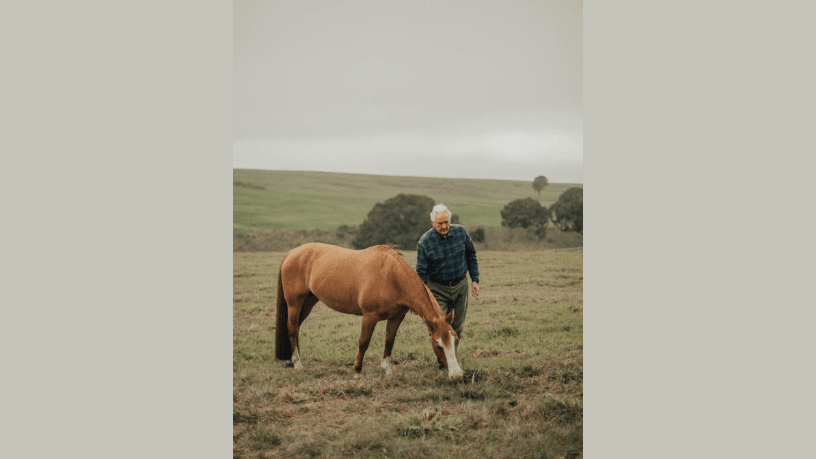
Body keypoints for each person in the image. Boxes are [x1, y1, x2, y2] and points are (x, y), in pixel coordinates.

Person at [416, 204, 480, 369]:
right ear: (432, 223)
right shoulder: (425, 243)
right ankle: (443, 363)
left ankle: (453, 360)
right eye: (440, 223)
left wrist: (475, 280)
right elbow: (421, 273)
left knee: (456, 329)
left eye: (446, 222)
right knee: (438, 328)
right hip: (437, 290)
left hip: (460, 286)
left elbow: (471, 254)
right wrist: (423, 298)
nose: (444, 226)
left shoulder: (461, 232)